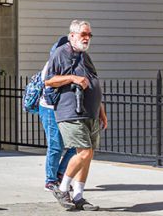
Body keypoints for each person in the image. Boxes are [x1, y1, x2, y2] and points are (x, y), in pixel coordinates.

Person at [45, 20, 107, 212]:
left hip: (90, 113)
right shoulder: (61, 53)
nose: (87, 38)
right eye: (83, 34)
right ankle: (63, 189)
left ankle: (79, 195)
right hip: (71, 111)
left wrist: (101, 112)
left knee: (88, 156)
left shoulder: (84, 56)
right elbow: (49, 81)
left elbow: (93, 83)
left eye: (89, 35)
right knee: (84, 152)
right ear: (72, 35)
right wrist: (72, 78)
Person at [39, 35, 75, 191]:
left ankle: (60, 173)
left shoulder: (73, 63)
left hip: (66, 109)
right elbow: (49, 82)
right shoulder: (52, 64)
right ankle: (50, 180)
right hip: (50, 108)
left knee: (76, 146)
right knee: (56, 146)